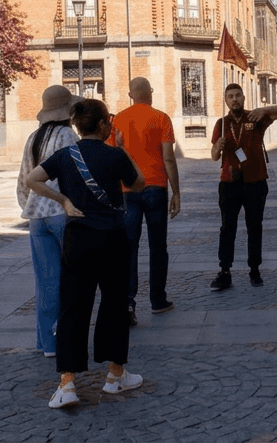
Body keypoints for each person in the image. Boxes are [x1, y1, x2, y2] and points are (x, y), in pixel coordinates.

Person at [27, 98, 147, 408]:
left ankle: (67, 383)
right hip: (112, 239)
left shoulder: (65, 156)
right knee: (114, 305)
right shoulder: (114, 154)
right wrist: (122, 149)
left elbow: (33, 179)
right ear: (105, 124)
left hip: (77, 238)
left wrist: (64, 202)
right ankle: (115, 375)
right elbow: (138, 184)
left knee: (74, 307)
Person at [109, 77, 180, 325]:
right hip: (156, 189)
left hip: (127, 190)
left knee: (129, 249)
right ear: (150, 92)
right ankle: (158, 300)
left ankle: (128, 303)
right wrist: (177, 192)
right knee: (158, 246)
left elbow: (113, 155)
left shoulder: (117, 119)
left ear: (130, 95)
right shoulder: (161, 118)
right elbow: (169, 158)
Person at [16, 85, 80, 358]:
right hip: (61, 213)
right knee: (72, 279)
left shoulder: (33, 137)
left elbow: (23, 179)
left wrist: (29, 204)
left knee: (45, 283)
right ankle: (65, 336)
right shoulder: (67, 134)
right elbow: (78, 173)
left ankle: (47, 344)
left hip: (36, 217)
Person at [209, 83, 277, 290]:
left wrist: (264, 110)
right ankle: (224, 271)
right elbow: (214, 156)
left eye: (237, 95)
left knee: (255, 227)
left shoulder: (255, 118)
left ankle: (254, 270)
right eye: (230, 97)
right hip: (229, 183)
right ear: (225, 101)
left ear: (244, 98)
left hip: (255, 182)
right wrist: (217, 147)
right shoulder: (222, 123)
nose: (234, 99)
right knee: (227, 228)